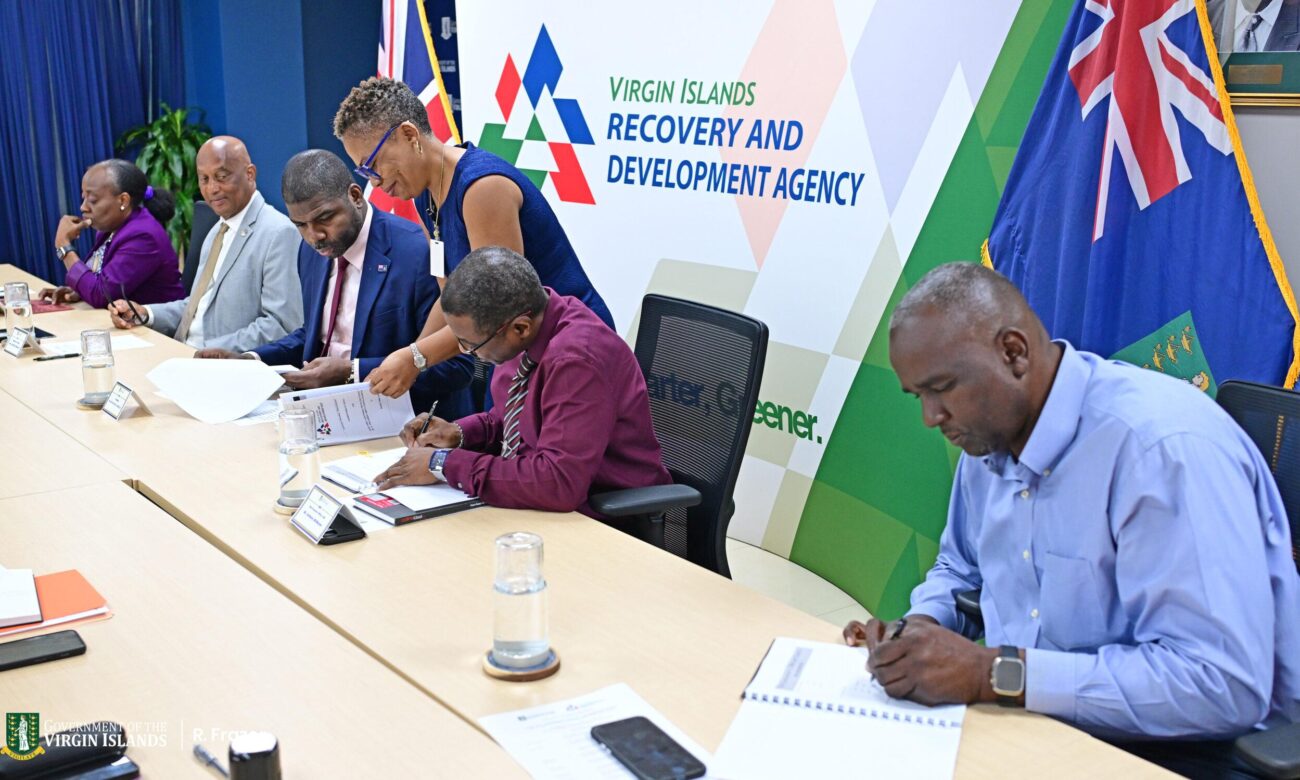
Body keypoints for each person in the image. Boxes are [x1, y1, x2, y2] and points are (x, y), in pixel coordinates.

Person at [843, 262, 1300, 776]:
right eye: (919, 396)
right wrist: (919, 631)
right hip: (1031, 726)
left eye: (942, 388)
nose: (931, 417)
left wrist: (993, 673)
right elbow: (960, 568)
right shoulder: (986, 437)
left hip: (1186, 753)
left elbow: (1220, 685)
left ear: (1013, 353)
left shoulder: (1160, 452)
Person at [332, 76, 613, 399]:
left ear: (409, 135)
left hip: (572, 349)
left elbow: (496, 311)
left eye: (372, 164)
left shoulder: (482, 188)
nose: (375, 182)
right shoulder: (424, 195)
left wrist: (416, 358)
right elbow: (451, 299)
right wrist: (410, 360)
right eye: (364, 173)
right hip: (517, 350)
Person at [373, 246, 670, 518]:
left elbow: (558, 483)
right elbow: (514, 420)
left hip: (605, 519)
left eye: (471, 344)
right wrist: (458, 433)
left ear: (520, 328)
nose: (466, 351)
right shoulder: (527, 328)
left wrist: (443, 464)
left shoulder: (577, 361)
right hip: (546, 504)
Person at [194, 150, 472, 417]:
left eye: (324, 218)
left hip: (403, 421)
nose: (314, 236)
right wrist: (252, 361)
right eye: (301, 225)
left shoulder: (417, 253)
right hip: (323, 411)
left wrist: (352, 372)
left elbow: (457, 366)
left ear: (355, 196)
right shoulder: (311, 252)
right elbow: (313, 335)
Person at [108, 136, 303, 351]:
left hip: (224, 363)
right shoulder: (217, 230)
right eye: (204, 179)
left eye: (222, 177)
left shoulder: (278, 233)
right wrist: (145, 313)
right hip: (183, 352)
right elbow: (199, 306)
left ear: (250, 174)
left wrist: (209, 351)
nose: (212, 188)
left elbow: (281, 325)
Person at [39, 159, 185, 307]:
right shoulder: (111, 228)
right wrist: (79, 290)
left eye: (92, 200)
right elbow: (104, 282)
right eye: (84, 198)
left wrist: (63, 246)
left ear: (123, 200)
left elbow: (101, 295)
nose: (83, 207)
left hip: (154, 322)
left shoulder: (143, 236)